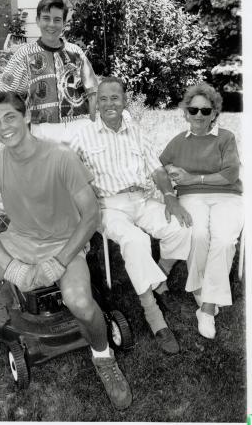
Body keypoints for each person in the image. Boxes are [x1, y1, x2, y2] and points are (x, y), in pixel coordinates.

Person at [0, 91, 132, 411]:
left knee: (81, 303)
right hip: (19, 240)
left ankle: (104, 357)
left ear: (26, 117)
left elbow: (91, 217)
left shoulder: (61, 157)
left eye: (10, 117)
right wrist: (10, 266)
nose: (3, 127)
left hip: (65, 243)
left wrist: (59, 260)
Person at [70, 77, 193, 355]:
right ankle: (153, 313)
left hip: (143, 198)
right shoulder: (83, 136)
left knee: (182, 228)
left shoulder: (137, 131)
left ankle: (160, 276)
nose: (109, 103)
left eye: (115, 98)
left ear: (125, 101)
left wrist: (171, 199)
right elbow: (66, 170)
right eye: (103, 99)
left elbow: (157, 170)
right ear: (96, 104)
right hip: (108, 206)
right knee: (136, 241)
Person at [159, 83, 244, 339]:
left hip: (226, 196)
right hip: (192, 197)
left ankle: (206, 309)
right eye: (193, 110)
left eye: (205, 111)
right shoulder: (178, 142)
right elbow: (159, 168)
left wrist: (192, 178)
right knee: (197, 235)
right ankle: (199, 288)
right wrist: (168, 191)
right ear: (185, 112)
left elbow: (230, 175)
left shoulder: (225, 137)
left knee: (225, 239)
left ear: (214, 114)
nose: (198, 116)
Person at [0, 0, 98, 144]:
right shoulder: (25, 54)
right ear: (37, 20)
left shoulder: (75, 52)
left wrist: (93, 123)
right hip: (44, 131)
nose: (51, 24)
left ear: (64, 23)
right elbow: (2, 92)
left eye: (57, 20)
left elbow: (92, 90)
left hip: (80, 129)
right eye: (46, 18)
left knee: (78, 167)